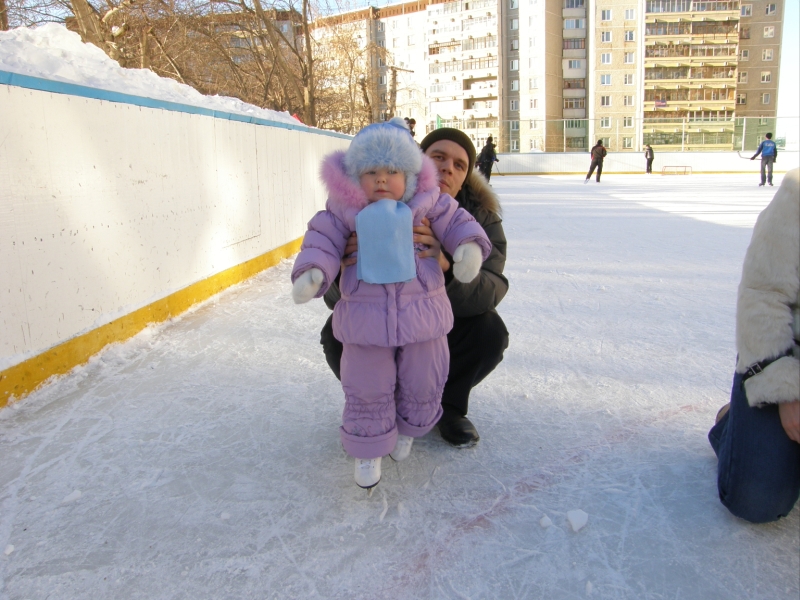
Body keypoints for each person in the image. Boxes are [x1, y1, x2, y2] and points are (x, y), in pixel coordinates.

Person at [291, 118, 491, 489]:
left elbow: (459, 223)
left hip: (423, 317)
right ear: (354, 177)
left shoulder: (430, 204)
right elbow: (321, 240)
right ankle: (367, 448)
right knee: (366, 384)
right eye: (370, 172)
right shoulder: (343, 213)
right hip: (365, 320)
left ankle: (409, 428)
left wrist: (464, 253)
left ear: (412, 175)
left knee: (424, 378)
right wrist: (317, 271)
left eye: (392, 171)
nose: (381, 180)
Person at [320, 127, 509, 449]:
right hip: (379, 319)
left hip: (442, 322)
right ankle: (380, 406)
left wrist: (447, 267)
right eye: (439, 157)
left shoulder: (480, 219)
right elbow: (331, 295)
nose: (447, 168)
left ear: (465, 177)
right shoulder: (366, 208)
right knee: (337, 331)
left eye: (459, 165)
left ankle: (448, 408)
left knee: (489, 330)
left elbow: (492, 287)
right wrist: (343, 270)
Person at [708, 168, 800, 523]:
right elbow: (762, 294)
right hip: (786, 357)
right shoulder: (797, 194)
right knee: (758, 499)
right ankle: (733, 423)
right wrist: (786, 391)